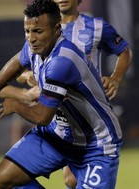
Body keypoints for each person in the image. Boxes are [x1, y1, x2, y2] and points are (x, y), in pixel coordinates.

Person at [0, 0, 123, 188]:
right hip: (60, 135)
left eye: (38, 32)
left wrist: (15, 104)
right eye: (27, 31)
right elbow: (16, 62)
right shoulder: (33, 48)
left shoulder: (62, 61)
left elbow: (42, 116)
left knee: (71, 181)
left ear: (56, 29)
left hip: (97, 145)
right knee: (5, 177)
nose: (31, 38)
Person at [52, 0, 133, 188]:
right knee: (70, 179)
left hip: (93, 114)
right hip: (61, 113)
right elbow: (24, 64)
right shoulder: (43, 28)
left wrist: (115, 77)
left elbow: (124, 50)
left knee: (74, 179)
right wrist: (28, 76)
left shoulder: (96, 27)